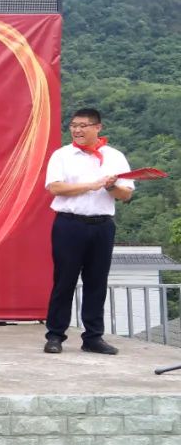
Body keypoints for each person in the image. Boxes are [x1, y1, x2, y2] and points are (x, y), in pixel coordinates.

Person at [43, 108, 134, 355]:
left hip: (102, 226)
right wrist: (91, 185)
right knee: (64, 281)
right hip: (69, 224)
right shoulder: (62, 155)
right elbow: (55, 187)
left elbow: (126, 194)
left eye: (83, 126)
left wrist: (111, 186)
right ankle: (55, 335)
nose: (77, 130)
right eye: (74, 125)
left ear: (98, 128)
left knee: (97, 282)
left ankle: (93, 337)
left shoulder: (115, 157)